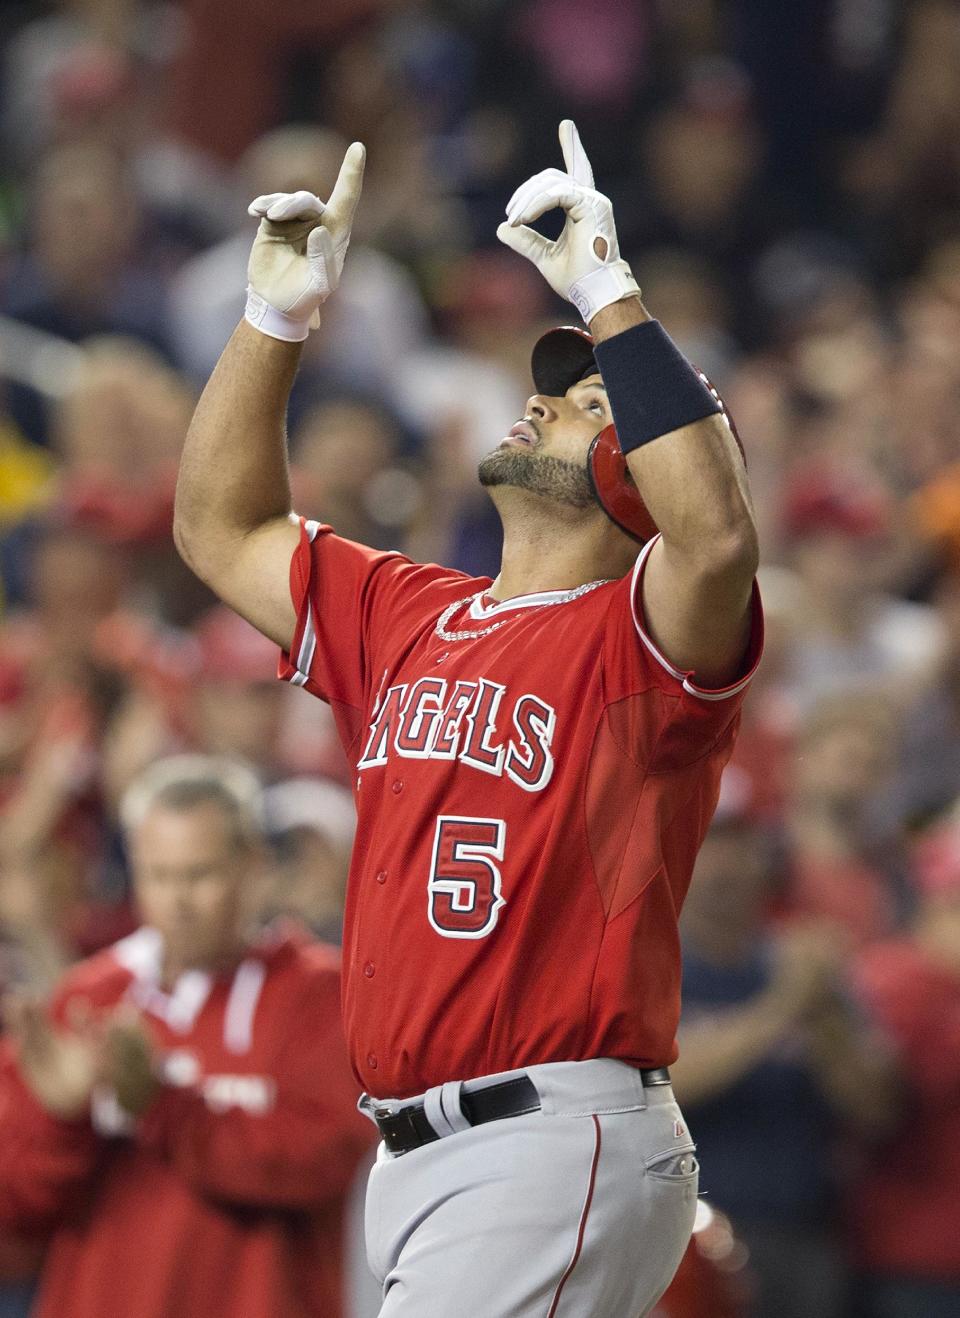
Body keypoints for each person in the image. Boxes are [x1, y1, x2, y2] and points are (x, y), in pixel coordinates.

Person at [173, 121, 762, 1316]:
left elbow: (717, 535)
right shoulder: (408, 609)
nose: (540, 407)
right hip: (417, 1153)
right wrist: (274, 322)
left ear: (640, 476)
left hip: (549, 1130)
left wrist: (610, 292)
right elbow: (218, 529)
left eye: (587, 403)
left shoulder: (643, 636)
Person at [0, 754, 373, 1318]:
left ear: (252, 866)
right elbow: (19, 1214)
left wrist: (158, 1103)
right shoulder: (89, 999)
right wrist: (61, 1119)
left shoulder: (319, 994)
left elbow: (318, 1162)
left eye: (199, 875)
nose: (176, 901)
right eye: (158, 874)